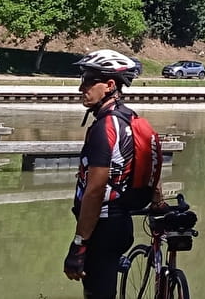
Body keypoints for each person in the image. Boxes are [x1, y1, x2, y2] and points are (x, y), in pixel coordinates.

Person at [65, 49, 159, 297]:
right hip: (120, 223)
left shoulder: (105, 127)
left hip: (102, 227)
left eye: (87, 80)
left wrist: (79, 244)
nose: (80, 88)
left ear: (108, 85)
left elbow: (95, 192)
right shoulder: (128, 118)